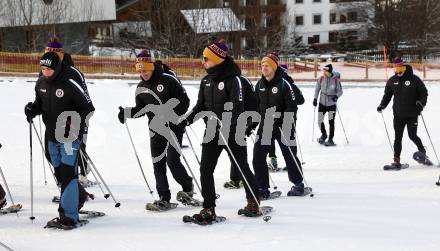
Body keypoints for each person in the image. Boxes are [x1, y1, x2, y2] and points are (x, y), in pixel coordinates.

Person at [184, 39, 261, 222]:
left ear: (217, 59)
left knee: (242, 167)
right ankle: (208, 208)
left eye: (206, 59)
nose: (203, 62)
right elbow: (200, 107)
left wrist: (228, 125)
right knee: (205, 169)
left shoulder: (235, 81)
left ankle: (253, 200)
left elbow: (238, 108)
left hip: (233, 132)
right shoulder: (206, 81)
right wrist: (184, 121)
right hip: (212, 131)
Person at [24, 52, 95, 227]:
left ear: (56, 68)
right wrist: (32, 110)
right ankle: (79, 195)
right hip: (51, 135)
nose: (45, 72)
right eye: (43, 68)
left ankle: (68, 216)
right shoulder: (40, 83)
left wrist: (74, 122)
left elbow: (88, 108)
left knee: (68, 173)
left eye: (49, 69)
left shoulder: (70, 84)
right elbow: (39, 104)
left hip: (69, 136)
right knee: (60, 173)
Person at [118, 50, 195, 209]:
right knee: (157, 163)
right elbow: (141, 109)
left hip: (174, 126)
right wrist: (126, 113)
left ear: (152, 67)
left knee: (172, 161)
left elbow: (184, 102)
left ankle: (187, 187)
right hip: (155, 128)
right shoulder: (141, 87)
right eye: (140, 71)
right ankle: (163, 197)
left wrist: (172, 114)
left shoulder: (168, 79)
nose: (143, 74)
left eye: (145, 70)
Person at [249, 52, 305, 198]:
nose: (264, 68)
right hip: (266, 125)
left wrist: (283, 120)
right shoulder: (259, 85)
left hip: (283, 125)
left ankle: (298, 184)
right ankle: (262, 188)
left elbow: (292, 106)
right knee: (258, 156)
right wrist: (251, 125)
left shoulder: (284, 84)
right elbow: (256, 108)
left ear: (274, 67)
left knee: (289, 155)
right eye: (262, 65)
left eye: (267, 65)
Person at [377, 57, 431, 169]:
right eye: (396, 70)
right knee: (397, 137)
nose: (398, 72)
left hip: (412, 114)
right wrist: (382, 105)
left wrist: (421, 104)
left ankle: (422, 152)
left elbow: (424, 93)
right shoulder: (392, 81)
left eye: (400, 69)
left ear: (404, 68)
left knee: (412, 135)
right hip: (398, 115)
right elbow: (387, 95)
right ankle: (396, 161)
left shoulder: (414, 79)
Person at [313, 64, 343, 146]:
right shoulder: (321, 78)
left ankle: (330, 139)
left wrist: (336, 97)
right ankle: (324, 134)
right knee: (320, 120)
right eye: (323, 71)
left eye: (325, 71)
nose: (324, 72)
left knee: (331, 122)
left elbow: (340, 91)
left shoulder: (336, 80)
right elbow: (317, 89)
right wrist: (315, 99)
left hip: (331, 105)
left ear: (329, 72)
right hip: (322, 103)